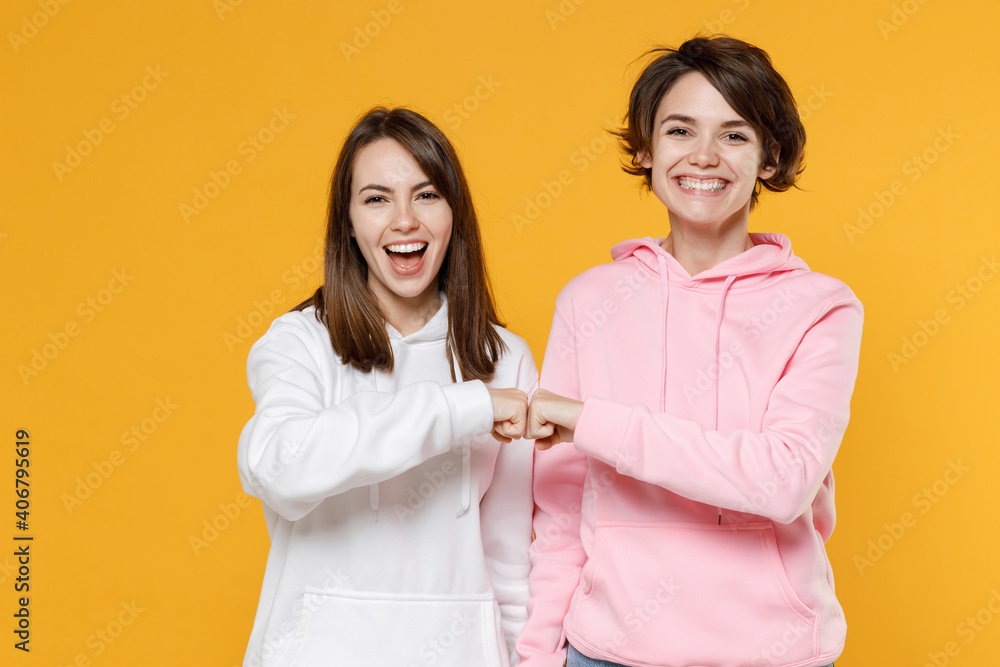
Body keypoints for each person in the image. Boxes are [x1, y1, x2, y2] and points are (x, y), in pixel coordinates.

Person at [517, 36, 862, 667]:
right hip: (604, 653)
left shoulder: (823, 307)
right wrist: (539, 652)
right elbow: (561, 508)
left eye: (734, 135)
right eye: (680, 130)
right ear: (646, 150)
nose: (704, 156)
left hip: (772, 654)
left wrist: (591, 421)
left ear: (768, 158)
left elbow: (783, 481)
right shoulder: (588, 300)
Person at [237, 107, 536, 666]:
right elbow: (277, 466)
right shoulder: (300, 342)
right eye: (377, 199)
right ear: (347, 223)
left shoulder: (504, 359)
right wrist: (461, 408)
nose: (405, 221)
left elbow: (509, 554)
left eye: (426, 196)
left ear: (454, 214)